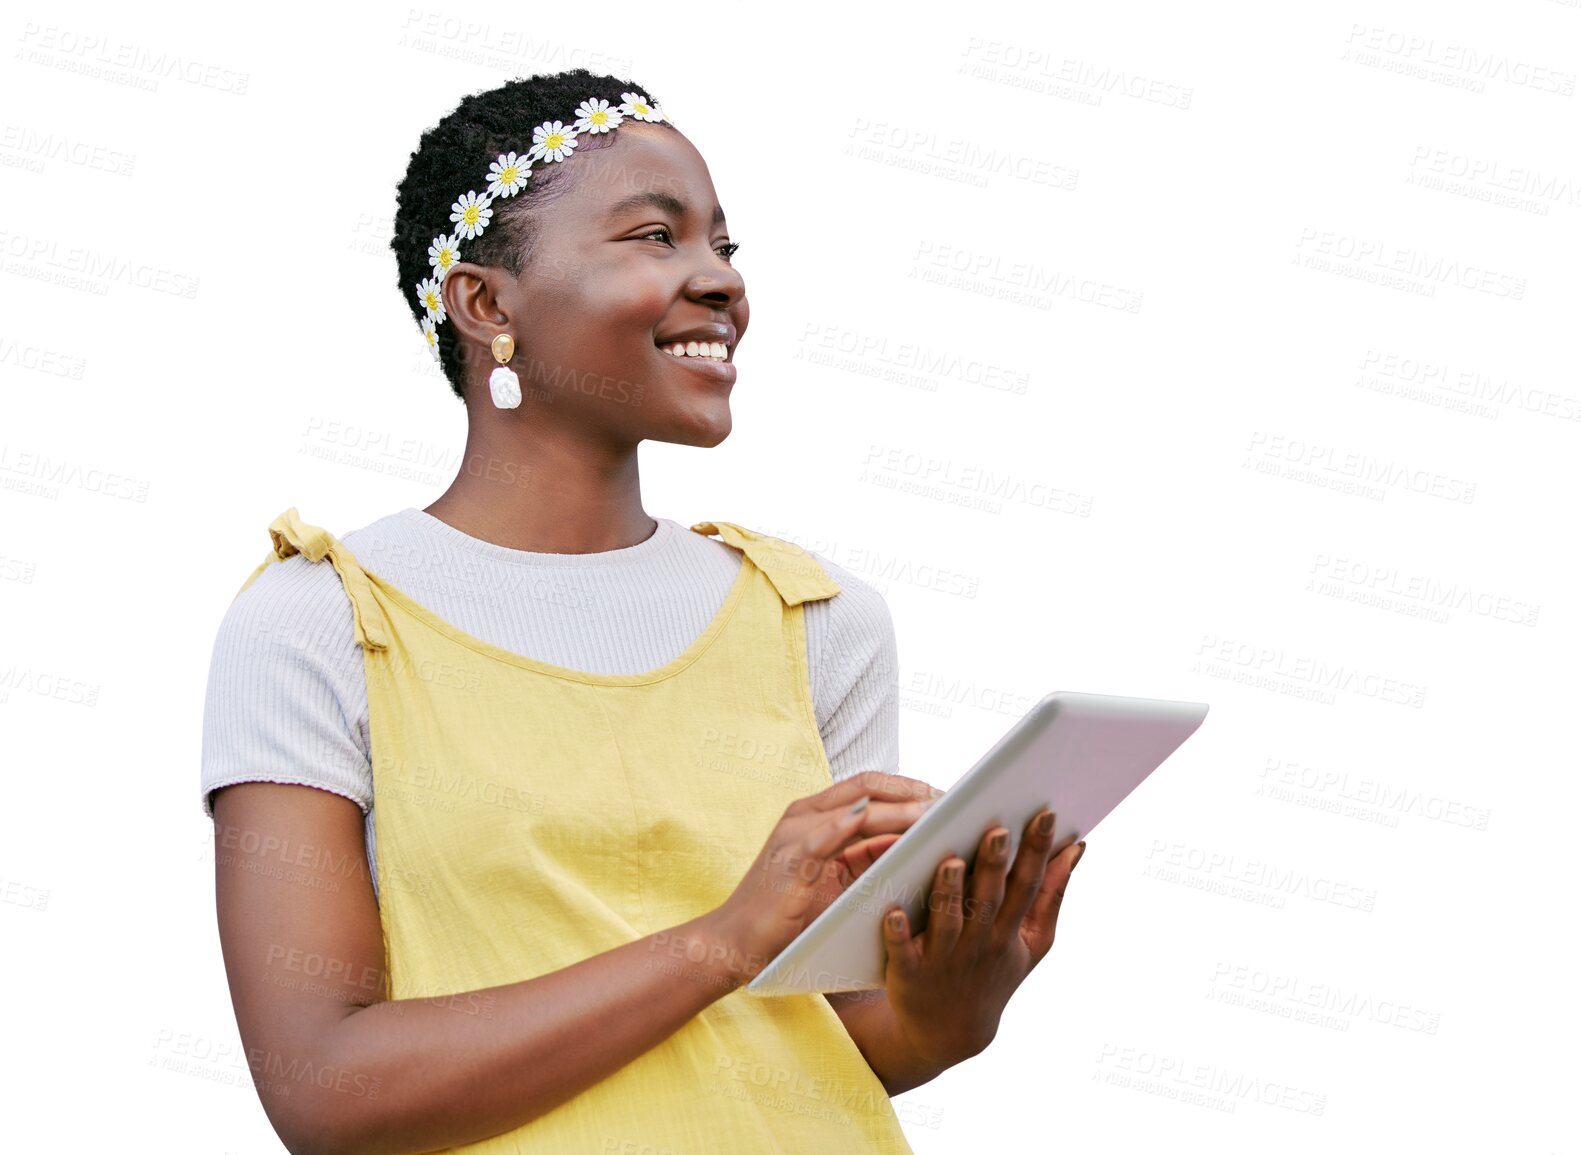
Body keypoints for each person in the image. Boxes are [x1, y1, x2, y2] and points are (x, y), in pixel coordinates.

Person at [200, 68, 1085, 1155]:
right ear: (487, 304)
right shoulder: (324, 621)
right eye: (655, 237)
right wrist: (718, 943)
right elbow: (324, 1090)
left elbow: (827, 1047)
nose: (718, 281)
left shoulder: (817, 620)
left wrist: (955, 1006)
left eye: (724, 246)